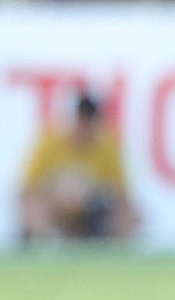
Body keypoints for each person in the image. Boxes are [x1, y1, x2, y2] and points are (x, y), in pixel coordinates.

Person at [19, 91, 139, 244]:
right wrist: (61, 195)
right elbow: (27, 189)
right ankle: (45, 245)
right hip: (55, 208)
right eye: (80, 120)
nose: (83, 127)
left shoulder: (106, 148)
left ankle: (107, 251)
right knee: (33, 207)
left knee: (130, 217)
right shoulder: (50, 144)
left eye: (88, 121)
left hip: (92, 212)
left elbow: (121, 194)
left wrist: (90, 195)